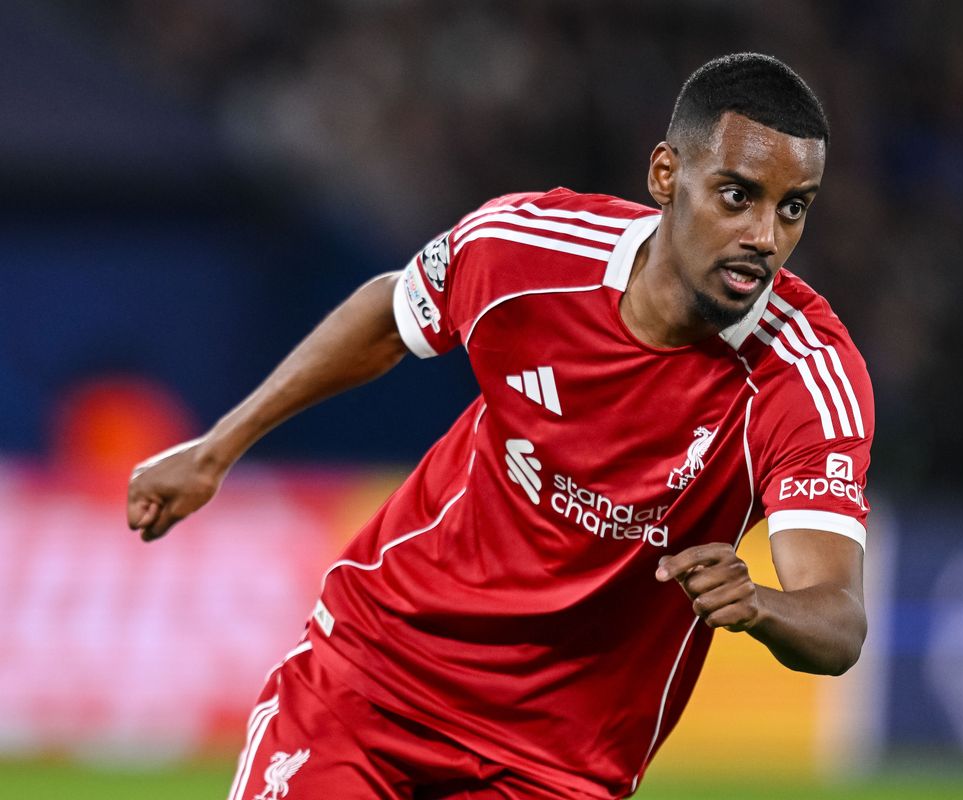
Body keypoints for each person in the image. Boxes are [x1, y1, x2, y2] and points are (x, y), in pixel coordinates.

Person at [127, 52, 873, 800]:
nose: (765, 237)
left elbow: (837, 620)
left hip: (557, 767)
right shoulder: (525, 252)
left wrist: (765, 606)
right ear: (666, 176)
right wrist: (215, 449)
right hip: (374, 679)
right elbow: (390, 315)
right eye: (737, 195)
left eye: (793, 207)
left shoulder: (804, 377)